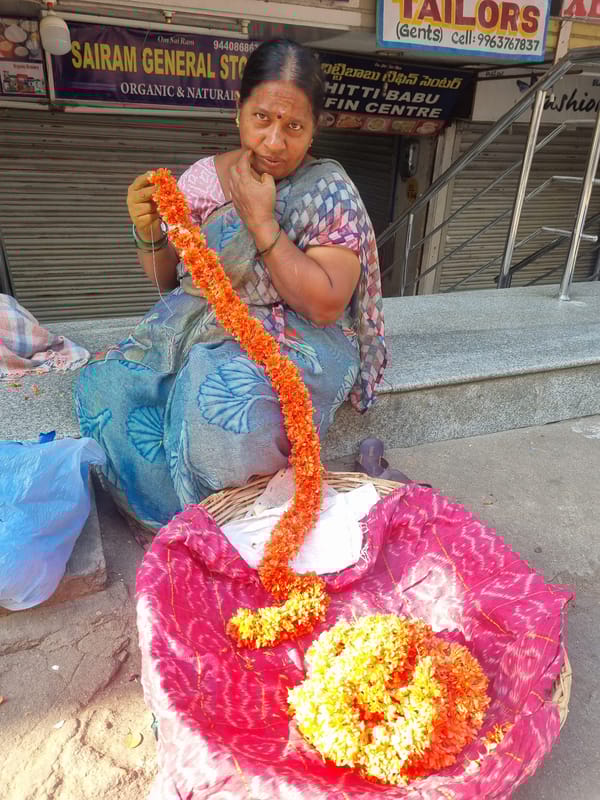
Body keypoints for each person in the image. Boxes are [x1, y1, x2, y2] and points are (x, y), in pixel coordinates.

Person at [75, 38, 386, 531]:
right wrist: (148, 230)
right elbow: (167, 277)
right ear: (238, 112)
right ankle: (164, 520)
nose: (274, 141)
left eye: (294, 126)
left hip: (295, 334)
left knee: (216, 400)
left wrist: (261, 223)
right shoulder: (202, 179)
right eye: (262, 118)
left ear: (313, 131)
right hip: (193, 323)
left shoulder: (327, 190)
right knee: (105, 386)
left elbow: (326, 304)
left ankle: (238, 526)